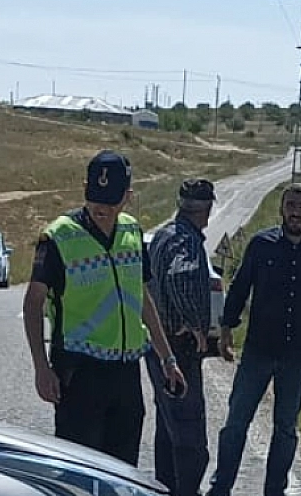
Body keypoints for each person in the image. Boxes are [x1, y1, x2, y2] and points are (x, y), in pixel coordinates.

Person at [22, 150, 185, 466]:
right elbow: (33, 305)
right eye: (95, 196)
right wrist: (41, 368)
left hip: (125, 372)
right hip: (79, 371)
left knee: (123, 470)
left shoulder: (132, 232)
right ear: (85, 187)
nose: (102, 207)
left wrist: (167, 358)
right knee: (80, 470)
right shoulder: (58, 236)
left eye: (112, 199)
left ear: (128, 196)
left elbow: (142, 298)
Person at [205, 183, 301, 496]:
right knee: (236, 422)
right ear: (281, 210)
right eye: (290, 205)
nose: (296, 211)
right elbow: (239, 288)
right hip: (258, 349)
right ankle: (219, 490)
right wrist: (226, 329)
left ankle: (275, 495)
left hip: (298, 353)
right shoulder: (261, 244)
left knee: (285, 427)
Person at [144, 178, 226, 496]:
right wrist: (195, 323)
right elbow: (180, 276)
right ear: (207, 208)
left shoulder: (163, 234)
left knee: (168, 428)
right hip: (176, 347)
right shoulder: (185, 240)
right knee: (190, 432)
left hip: (159, 344)